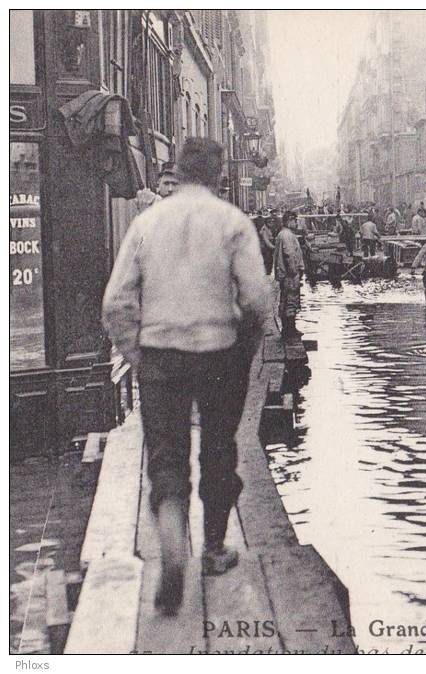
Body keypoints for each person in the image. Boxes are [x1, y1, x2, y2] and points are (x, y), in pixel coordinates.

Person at [101, 138, 272, 616]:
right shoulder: (234, 224)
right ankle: (214, 549)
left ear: (177, 170)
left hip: (160, 354)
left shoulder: (146, 223)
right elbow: (257, 301)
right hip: (219, 352)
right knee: (219, 448)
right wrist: (244, 352)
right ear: (218, 176)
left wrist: (139, 355)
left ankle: (173, 532)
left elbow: (116, 302)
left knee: (167, 454)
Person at [275, 211, 305, 338]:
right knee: (291, 300)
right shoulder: (287, 235)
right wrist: (294, 271)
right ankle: (290, 329)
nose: (296, 223)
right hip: (289, 275)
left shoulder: (283, 234)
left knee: (286, 299)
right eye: (295, 220)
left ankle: (287, 328)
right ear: (289, 221)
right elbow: (289, 255)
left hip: (285, 274)